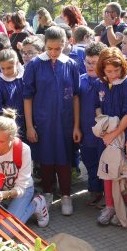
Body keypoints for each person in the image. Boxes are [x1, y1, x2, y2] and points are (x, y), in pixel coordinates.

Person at [23, 26, 81, 216]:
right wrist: (30, 126)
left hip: (65, 122)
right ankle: (47, 192)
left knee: (65, 158)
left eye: (58, 48)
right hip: (43, 122)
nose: (54, 52)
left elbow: (75, 97)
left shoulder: (71, 65)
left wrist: (76, 125)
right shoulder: (34, 65)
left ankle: (66, 195)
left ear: (65, 45)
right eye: (50, 48)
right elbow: (28, 97)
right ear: (44, 46)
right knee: (46, 159)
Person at [94, 47, 127, 226]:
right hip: (106, 137)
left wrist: (114, 134)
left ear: (122, 68)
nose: (112, 74)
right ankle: (110, 206)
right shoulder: (101, 83)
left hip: (121, 136)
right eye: (108, 71)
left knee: (123, 171)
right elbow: (97, 105)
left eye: (116, 70)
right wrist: (102, 124)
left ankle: (125, 207)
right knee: (107, 170)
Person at [79, 42, 107, 207]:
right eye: (87, 62)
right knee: (89, 162)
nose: (90, 66)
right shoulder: (80, 80)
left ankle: (105, 193)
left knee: (103, 162)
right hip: (86, 131)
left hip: (103, 134)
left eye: (94, 63)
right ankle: (94, 190)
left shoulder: (106, 82)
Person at [0, 49, 25, 136]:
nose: (6, 71)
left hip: (28, 123)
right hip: (9, 128)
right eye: (2, 68)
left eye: (9, 68)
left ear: (16, 63)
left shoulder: (25, 78)